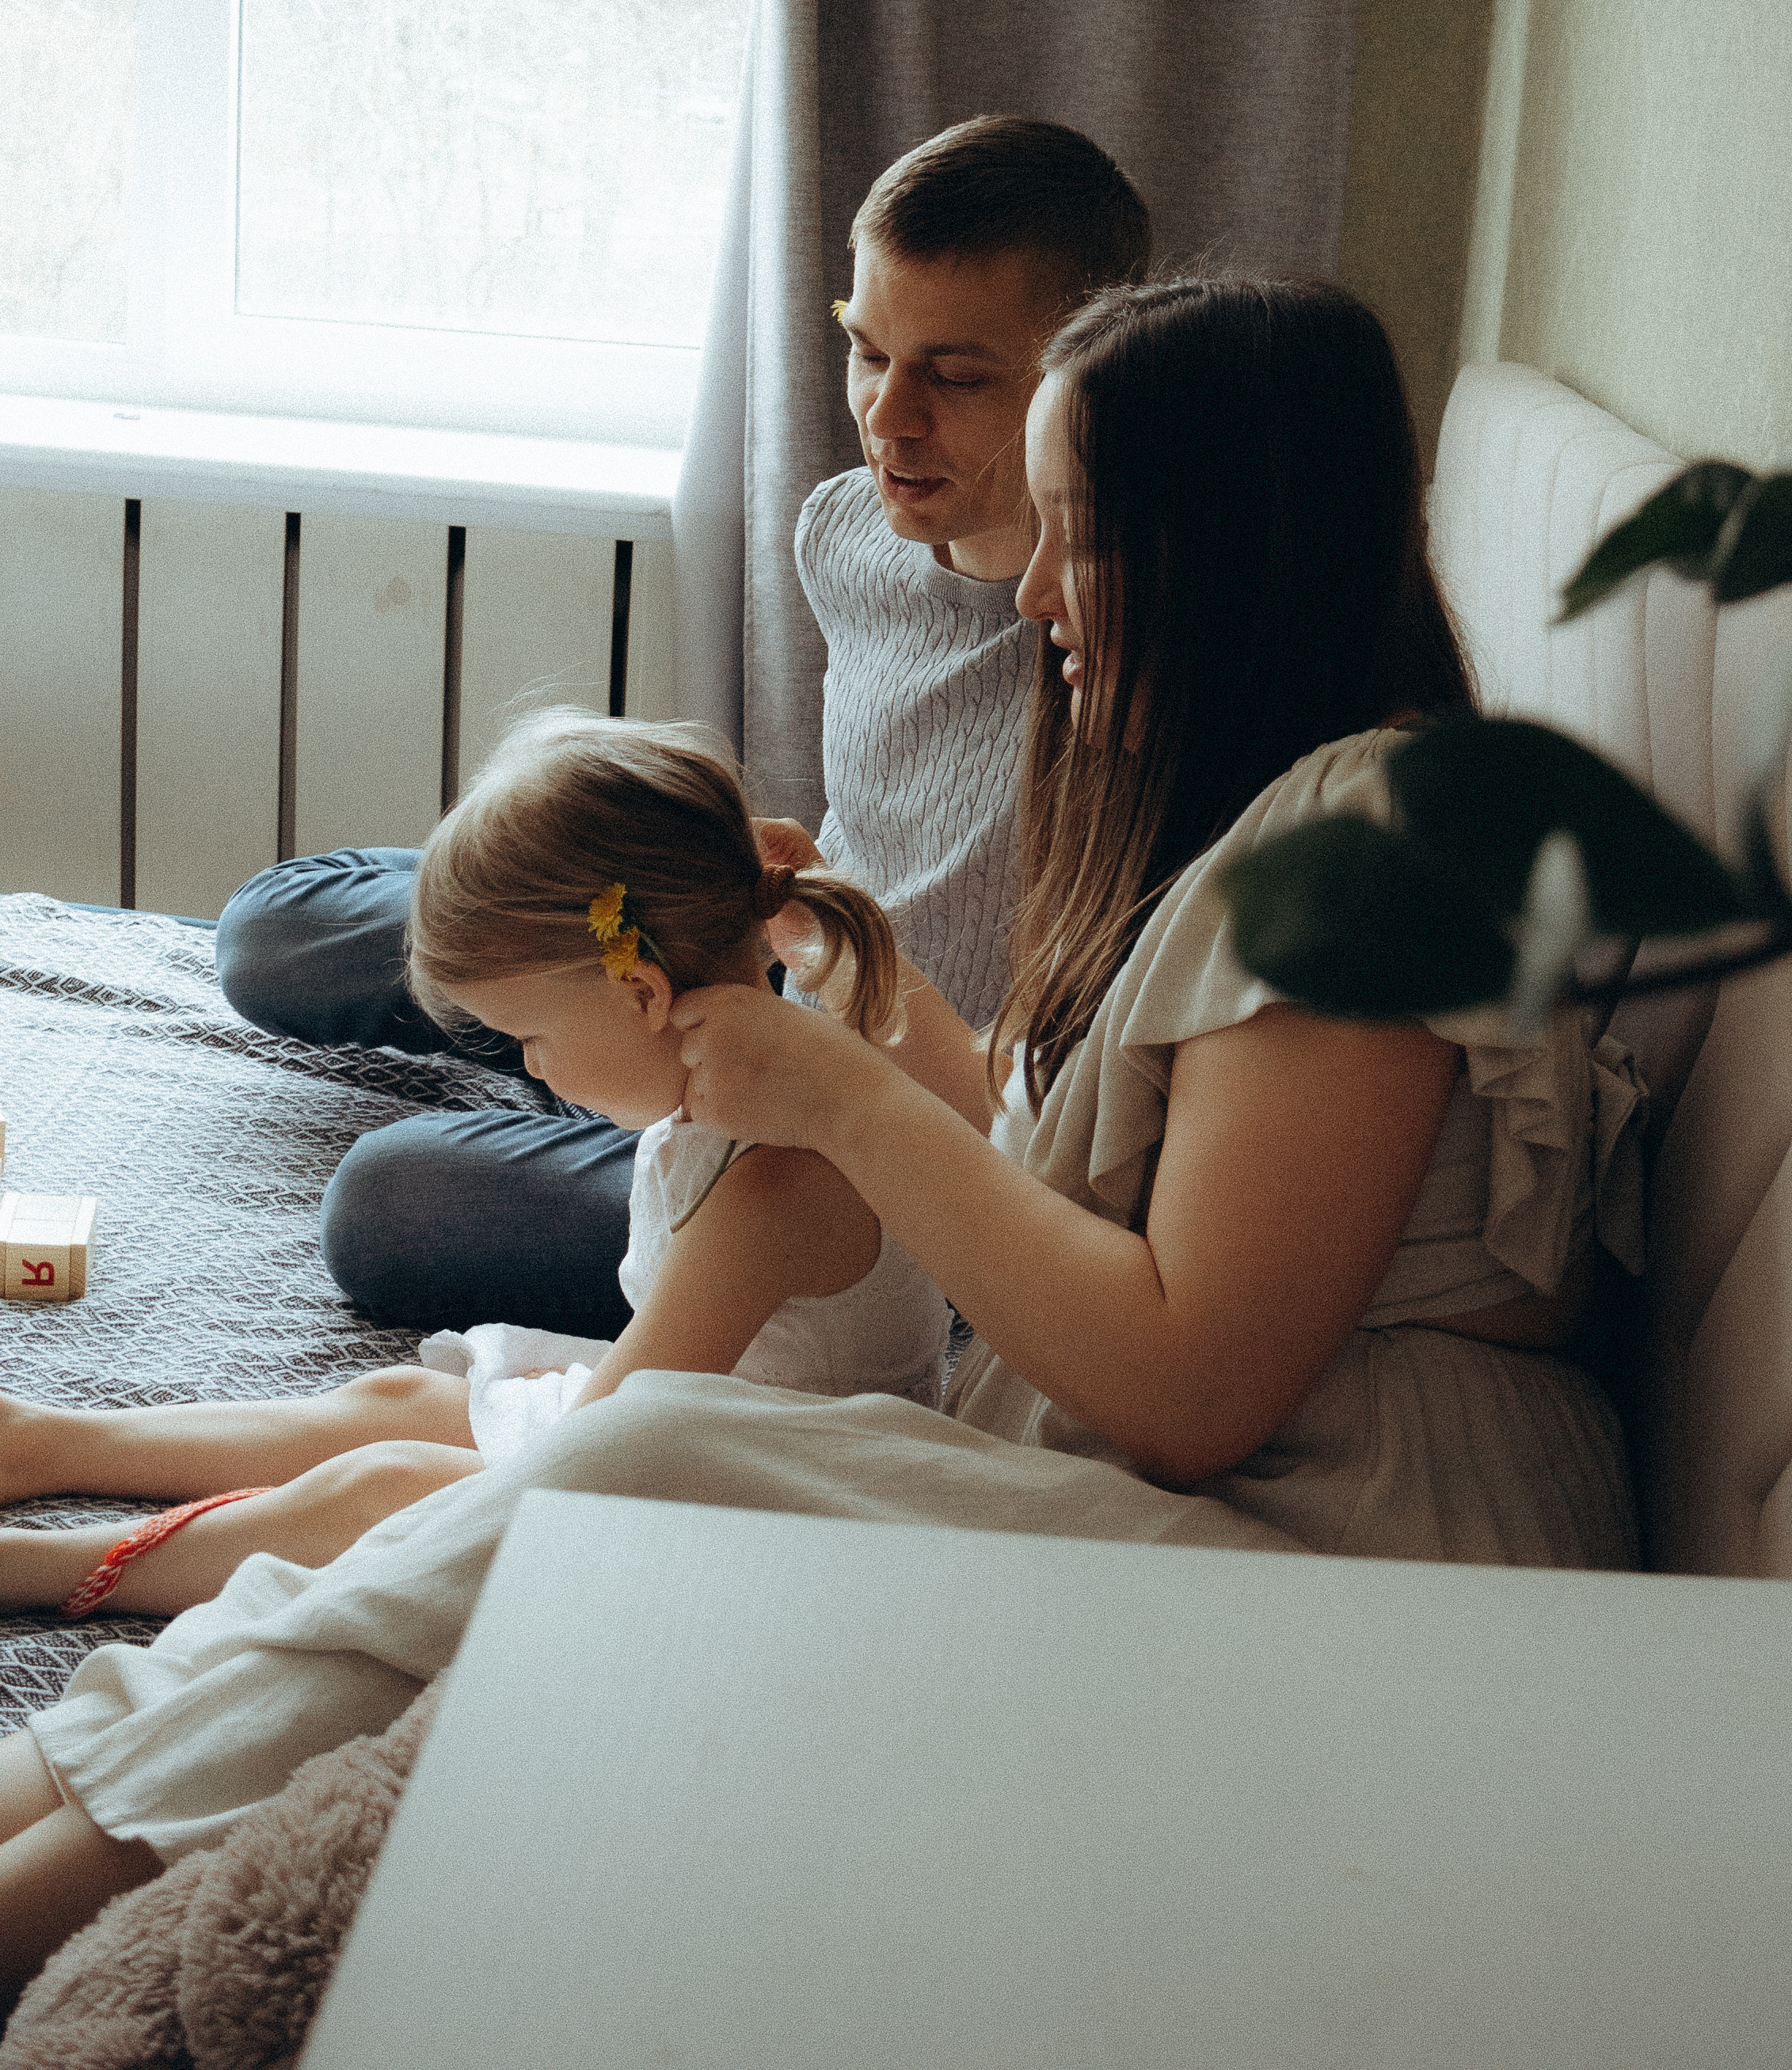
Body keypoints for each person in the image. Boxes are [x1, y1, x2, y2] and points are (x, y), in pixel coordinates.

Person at [0, 277, 1644, 2003]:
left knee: (628, 1459)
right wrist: (856, 1007)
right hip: (1255, 1537)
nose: (1030, 590)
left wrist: (839, 1096)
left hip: (1377, 1597)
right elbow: (1048, 1176)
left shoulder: (1369, 839)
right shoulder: (1256, 831)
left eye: (1077, 529)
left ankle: (61, 1829)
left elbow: (1192, 1384)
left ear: (1228, 541)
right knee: (545, 1462)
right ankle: (67, 1782)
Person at [215, 116, 1150, 1340]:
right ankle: (584, 1058)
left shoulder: (1119, 656)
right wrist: (753, 883)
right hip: (763, 939)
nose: (887, 419)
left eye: (957, 376)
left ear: (1084, 381)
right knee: (274, 928)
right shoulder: (846, 531)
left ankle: (593, 1076)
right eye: (867, 352)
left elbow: (1024, 1119)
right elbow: (902, 822)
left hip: (845, 1090)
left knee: (389, 1201)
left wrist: (785, 1024)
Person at [0, 716, 949, 1631]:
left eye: (531, 1039)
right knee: (396, 1404)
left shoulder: (770, 1186)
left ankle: (55, 1565)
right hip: (699, 1431)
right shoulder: (725, 1111)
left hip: (775, 1506)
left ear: (642, 993)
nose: (528, 1069)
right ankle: (47, 1441)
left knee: (380, 1490)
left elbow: (601, 1451)